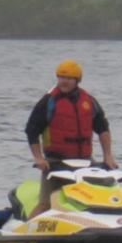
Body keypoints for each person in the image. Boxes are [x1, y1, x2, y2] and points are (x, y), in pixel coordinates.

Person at [25, 59, 117, 217]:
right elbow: (31, 130)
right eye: (60, 77)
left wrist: (108, 156)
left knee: (99, 198)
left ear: (77, 80)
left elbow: (103, 129)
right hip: (55, 163)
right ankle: (26, 233)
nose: (63, 81)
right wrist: (39, 158)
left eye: (68, 78)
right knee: (46, 204)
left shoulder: (89, 101)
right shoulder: (48, 101)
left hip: (86, 161)